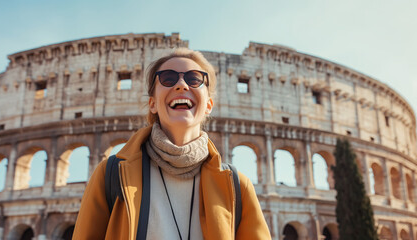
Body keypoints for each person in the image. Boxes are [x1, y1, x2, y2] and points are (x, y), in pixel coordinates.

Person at [73, 48, 271, 240]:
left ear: (209, 105)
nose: (182, 85)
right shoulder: (111, 175)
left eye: (194, 79)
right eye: (168, 78)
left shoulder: (237, 186)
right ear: (153, 104)